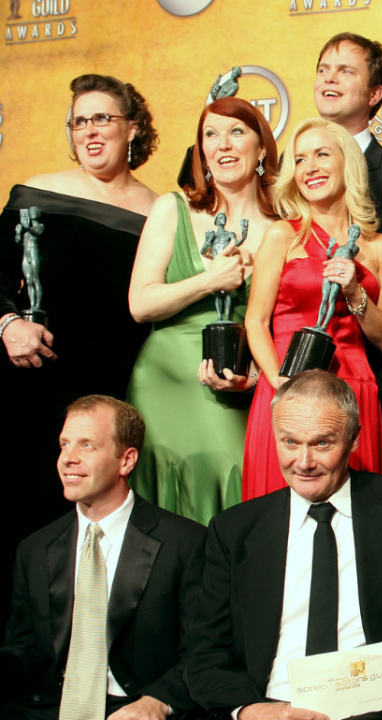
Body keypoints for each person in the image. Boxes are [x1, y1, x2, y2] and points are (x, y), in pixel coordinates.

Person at [0, 74, 159, 622]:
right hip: (30, 386)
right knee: (21, 514)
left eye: (103, 118)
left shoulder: (161, 212)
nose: (89, 131)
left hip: (118, 394)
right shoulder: (36, 192)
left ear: (132, 127)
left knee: (98, 530)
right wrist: (7, 324)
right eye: (79, 121)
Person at [185, 370, 382, 720]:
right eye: (289, 442)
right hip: (272, 709)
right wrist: (252, 711)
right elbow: (204, 653)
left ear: (354, 438)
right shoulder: (233, 531)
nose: (303, 463)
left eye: (322, 443)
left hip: (376, 709)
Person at [0, 395, 206, 720]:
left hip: (138, 707)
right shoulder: (35, 548)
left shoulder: (185, 543)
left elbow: (202, 651)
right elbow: (25, 651)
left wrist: (157, 702)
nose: (68, 458)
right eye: (64, 444)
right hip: (50, 706)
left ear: (126, 460)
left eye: (86, 446)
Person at [126, 97, 278, 525]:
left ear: (262, 147)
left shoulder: (284, 226)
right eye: (210, 134)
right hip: (166, 382)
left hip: (241, 385)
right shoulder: (172, 208)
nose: (222, 144)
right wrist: (210, 280)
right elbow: (140, 304)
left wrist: (254, 379)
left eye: (236, 132)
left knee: (236, 483)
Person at [242, 119, 382, 501]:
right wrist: (280, 384)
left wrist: (353, 290)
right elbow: (256, 321)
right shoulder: (283, 235)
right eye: (299, 159)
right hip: (285, 387)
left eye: (322, 154)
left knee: (357, 521)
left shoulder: (380, 247)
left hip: (353, 390)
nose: (309, 167)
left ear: (348, 163)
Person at [315, 32, 382, 425]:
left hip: (368, 384)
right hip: (290, 371)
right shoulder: (288, 170)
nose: (329, 79)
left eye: (344, 71)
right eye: (323, 70)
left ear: (375, 95)